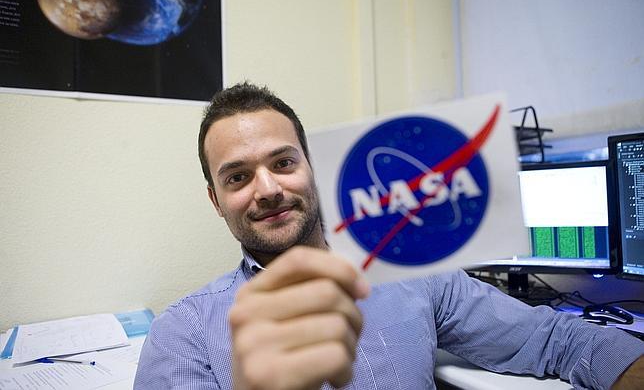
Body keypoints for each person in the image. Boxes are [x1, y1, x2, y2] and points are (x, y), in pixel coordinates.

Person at [134, 82, 643, 389]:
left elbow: (552, 338)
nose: (266, 189)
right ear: (215, 200)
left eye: (283, 163)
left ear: (313, 168)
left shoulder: (412, 274)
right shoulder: (182, 335)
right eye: (237, 176)